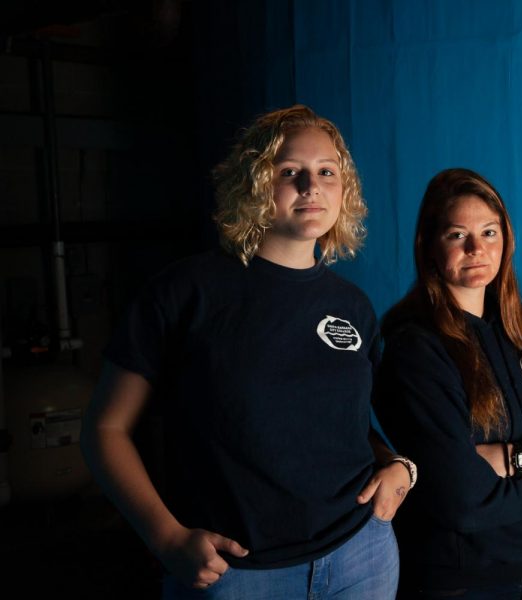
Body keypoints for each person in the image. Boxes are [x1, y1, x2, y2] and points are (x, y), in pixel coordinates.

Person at [81, 105, 414, 599]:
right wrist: (166, 538)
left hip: (360, 557)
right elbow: (104, 430)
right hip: (238, 574)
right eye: (289, 172)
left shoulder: (351, 305)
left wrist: (396, 465)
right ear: (255, 183)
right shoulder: (184, 293)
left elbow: (336, 422)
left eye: (327, 172)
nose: (311, 186)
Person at [373, 168, 522, 599]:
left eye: (489, 232)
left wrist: (516, 458)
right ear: (429, 246)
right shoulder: (416, 349)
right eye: (457, 235)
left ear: (506, 241)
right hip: (459, 585)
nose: (476, 248)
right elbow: (458, 496)